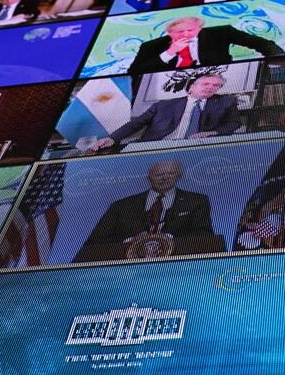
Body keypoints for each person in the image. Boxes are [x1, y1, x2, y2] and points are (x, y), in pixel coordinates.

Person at [73, 160, 223, 262]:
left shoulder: (197, 201)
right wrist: (130, 241)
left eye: (170, 174)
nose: (165, 178)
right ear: (148, 177)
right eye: (159, 174)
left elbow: (204, 237)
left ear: (178, 175)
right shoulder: (121, 206)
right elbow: (94, 244)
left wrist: (168, 239)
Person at [89, 74, 241, 151]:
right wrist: (112, 139)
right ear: (191, 87)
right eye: (206, 83)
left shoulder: (225, 102)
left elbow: (234, 123)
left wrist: (212, 133)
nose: (210, 87)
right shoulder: (164, 105)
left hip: (196, 148)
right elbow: (136, 124)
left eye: (216, 86)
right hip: (157, 147)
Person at [128, 16, 284, 75]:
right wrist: (168, 53)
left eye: (190, 30)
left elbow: (263, 44)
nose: (185, 35)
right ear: (169, 32)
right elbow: (134, 72)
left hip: (219, 77)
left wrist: (278, 63)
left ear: (199, 29)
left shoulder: (221, 32)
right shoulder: (151, 46)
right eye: (179, 32)